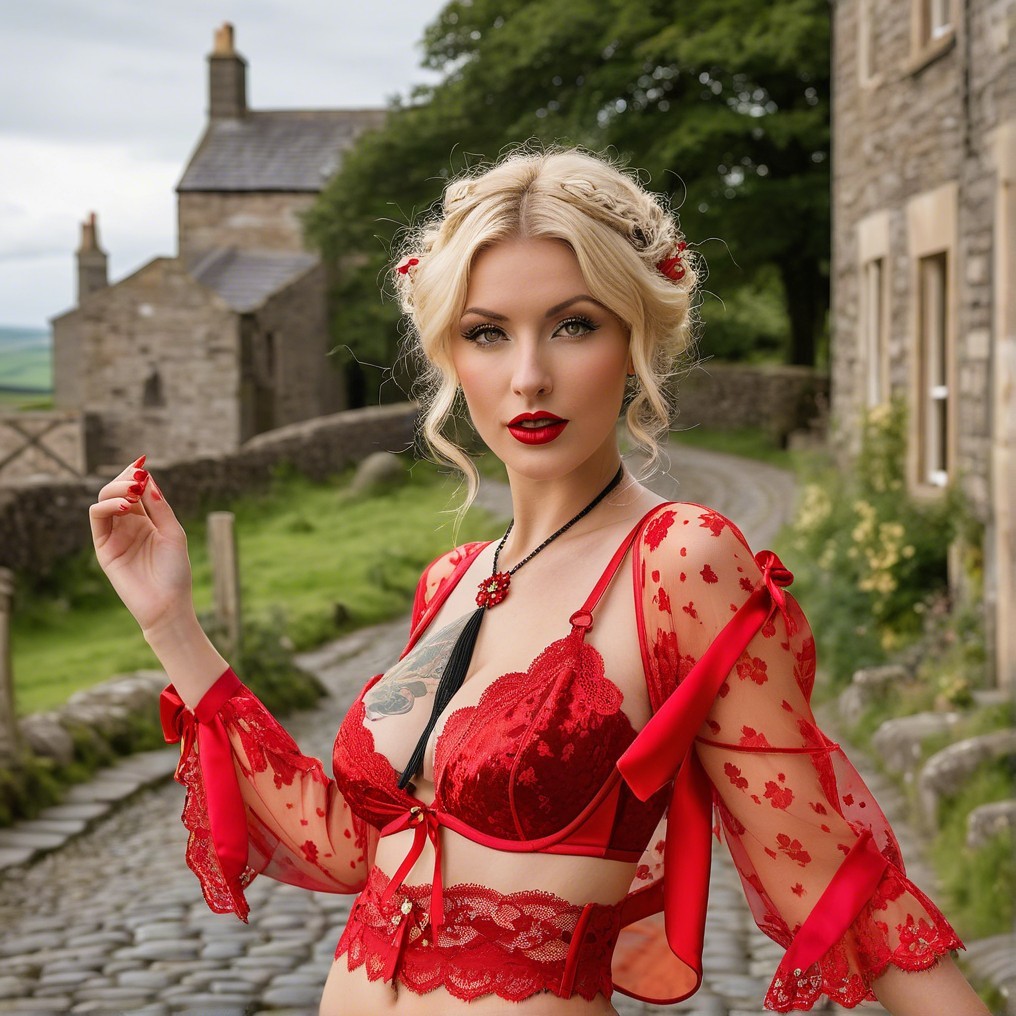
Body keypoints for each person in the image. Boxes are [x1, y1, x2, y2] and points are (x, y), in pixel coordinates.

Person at [89, 148, 989, 1015]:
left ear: (635, 338)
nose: (528, 377)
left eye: (573, 325)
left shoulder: (681, 560)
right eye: (487, 333)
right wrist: (170, 619)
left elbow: (829, 876)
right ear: (451, 356)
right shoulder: (452, 579)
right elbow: (345, 852)